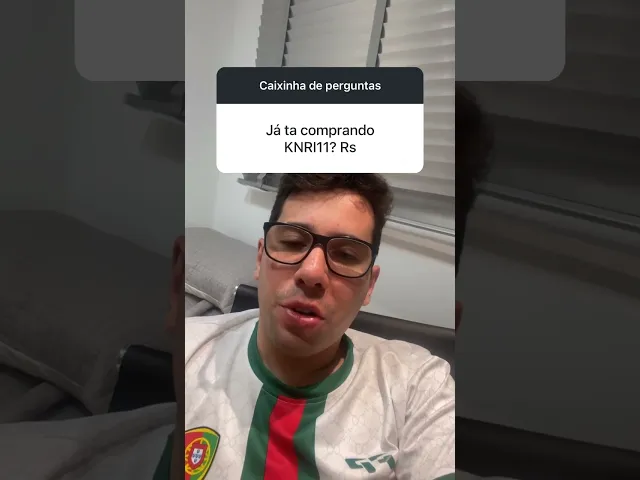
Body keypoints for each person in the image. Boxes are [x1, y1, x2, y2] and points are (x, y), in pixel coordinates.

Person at [183, 174, 455, 480]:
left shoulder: (418, 386)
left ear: (369, 285)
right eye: (292, 242)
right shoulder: (189, 351)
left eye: (346, 255)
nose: (312, 273)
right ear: (260, 258)